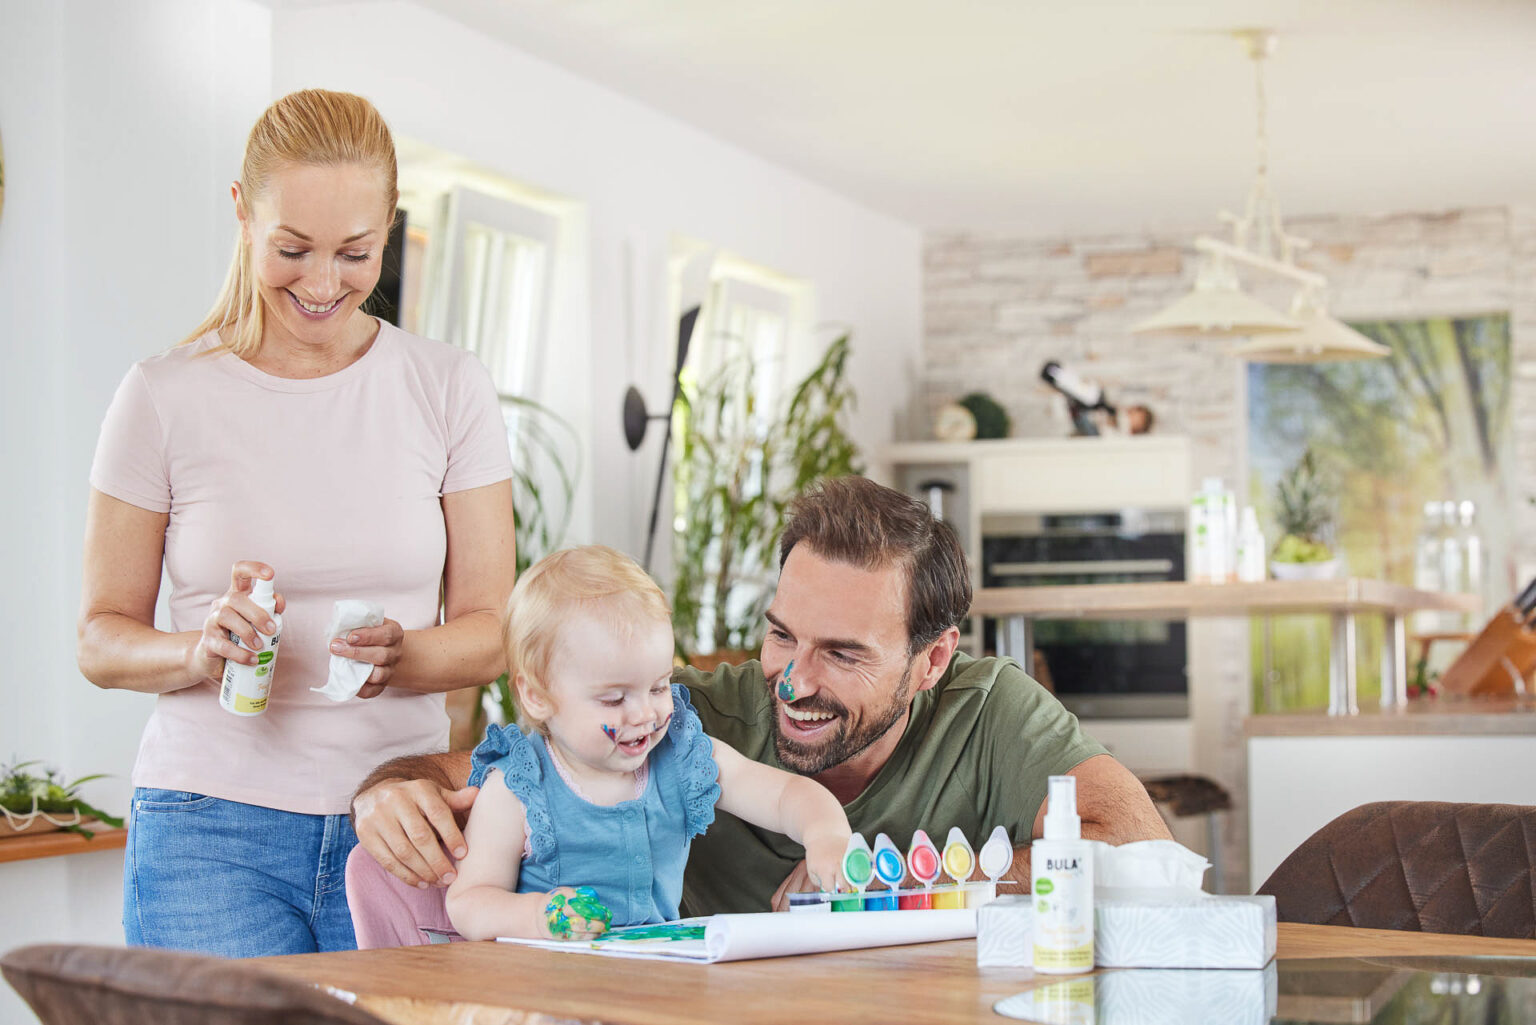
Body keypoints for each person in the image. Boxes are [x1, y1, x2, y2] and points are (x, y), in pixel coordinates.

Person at [76, 89, 517, 956]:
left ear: (389, 225)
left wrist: (405, 654)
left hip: (401, 824)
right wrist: (197, 651)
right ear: (243, 212)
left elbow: (494, 631)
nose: (323, 284)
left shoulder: (447, 387)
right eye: (292, 249)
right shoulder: (163, 396)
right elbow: (99, 638)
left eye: (355, 253)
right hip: (209, 831)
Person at [353, 477, 1169, 916]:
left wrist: (888, 885)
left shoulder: (990, 708)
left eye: (843, 653)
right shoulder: (676, 717)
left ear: (932, 660)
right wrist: (389, 790)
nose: (795, 679)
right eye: (783, 634)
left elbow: (1135, 841)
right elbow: (457, 769)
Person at [445, 546, 850, 941]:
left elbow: (782, 796)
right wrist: (538, 916)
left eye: (658, 687)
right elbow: (469, 903)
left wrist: (825, 834)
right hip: (545, 990)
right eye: (615, 698)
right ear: (537, 695)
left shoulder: (679, 756)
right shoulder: (517, 788)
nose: (645, 714)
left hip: (659, 977)